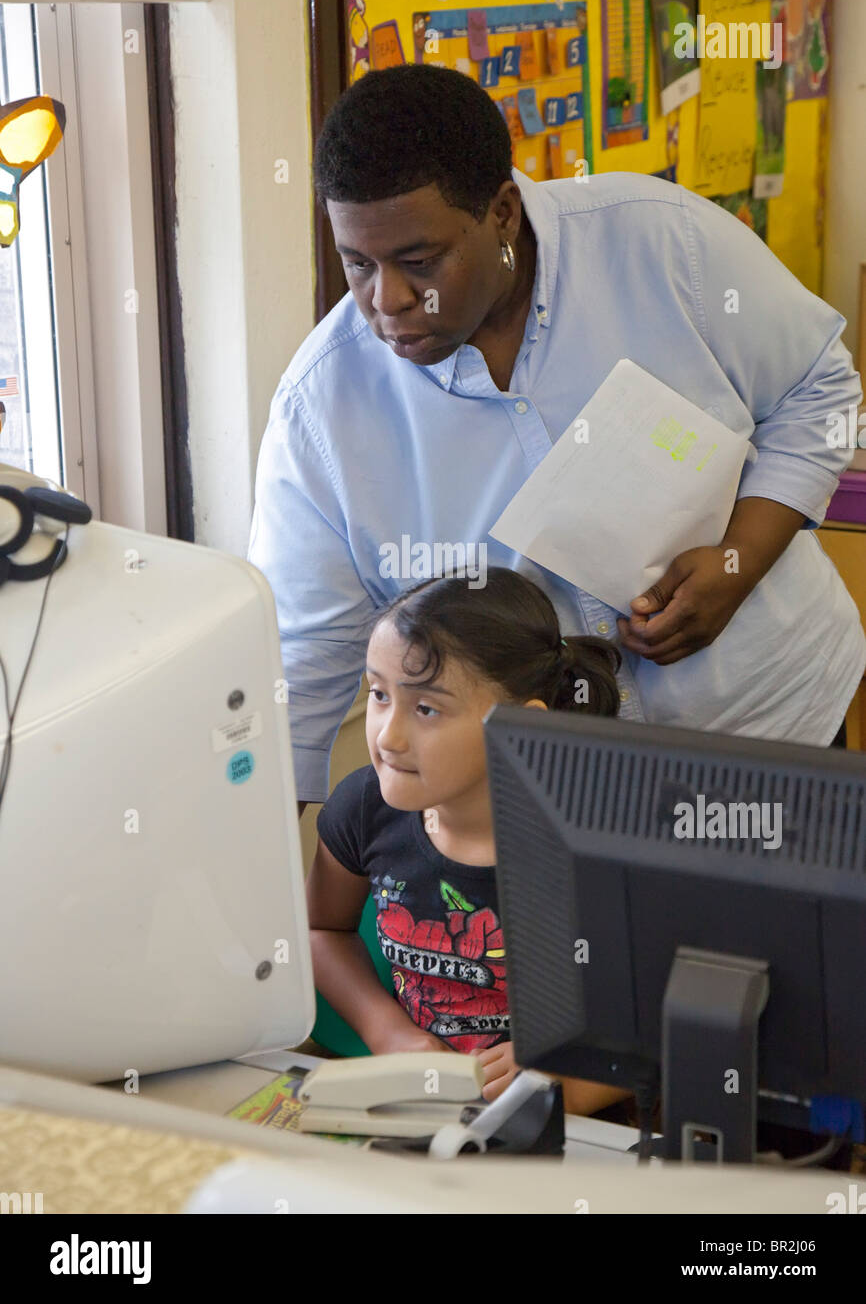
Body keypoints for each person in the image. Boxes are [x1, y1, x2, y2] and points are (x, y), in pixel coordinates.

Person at [248, 64, 865, 814]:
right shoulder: (323, 407)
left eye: (419, 262)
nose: (389, 301)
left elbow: (819, 390)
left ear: (503, 212)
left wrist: (739, 561)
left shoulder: (663, 243)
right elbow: (301, 668)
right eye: (356, 264)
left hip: (772, 735)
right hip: (550, 800)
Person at [306, 567, 626, 1112]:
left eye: (426, 708)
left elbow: (678, 1016)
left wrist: (570, 1080)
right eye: (379, 695)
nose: (388, 736)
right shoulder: (363, 809)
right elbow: (321, 929)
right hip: (421, 1108)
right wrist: (388, 1033)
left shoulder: (601, 840)